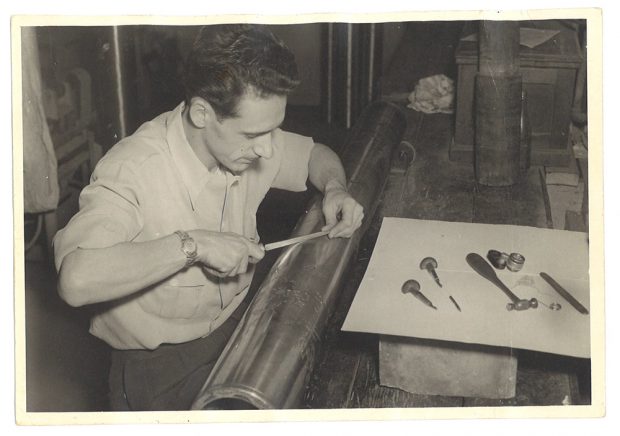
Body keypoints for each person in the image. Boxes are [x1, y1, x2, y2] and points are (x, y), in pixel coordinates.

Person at [53, 24, 364, 411]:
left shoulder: (247, 140)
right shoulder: (133, 169)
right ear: (202, 113)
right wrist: (193, 245)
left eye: (275, 129)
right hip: (160, 366)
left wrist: (335, 188)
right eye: (254, 134)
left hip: (237, 325)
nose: (268, 150)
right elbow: (76, 280)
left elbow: (316, 155)